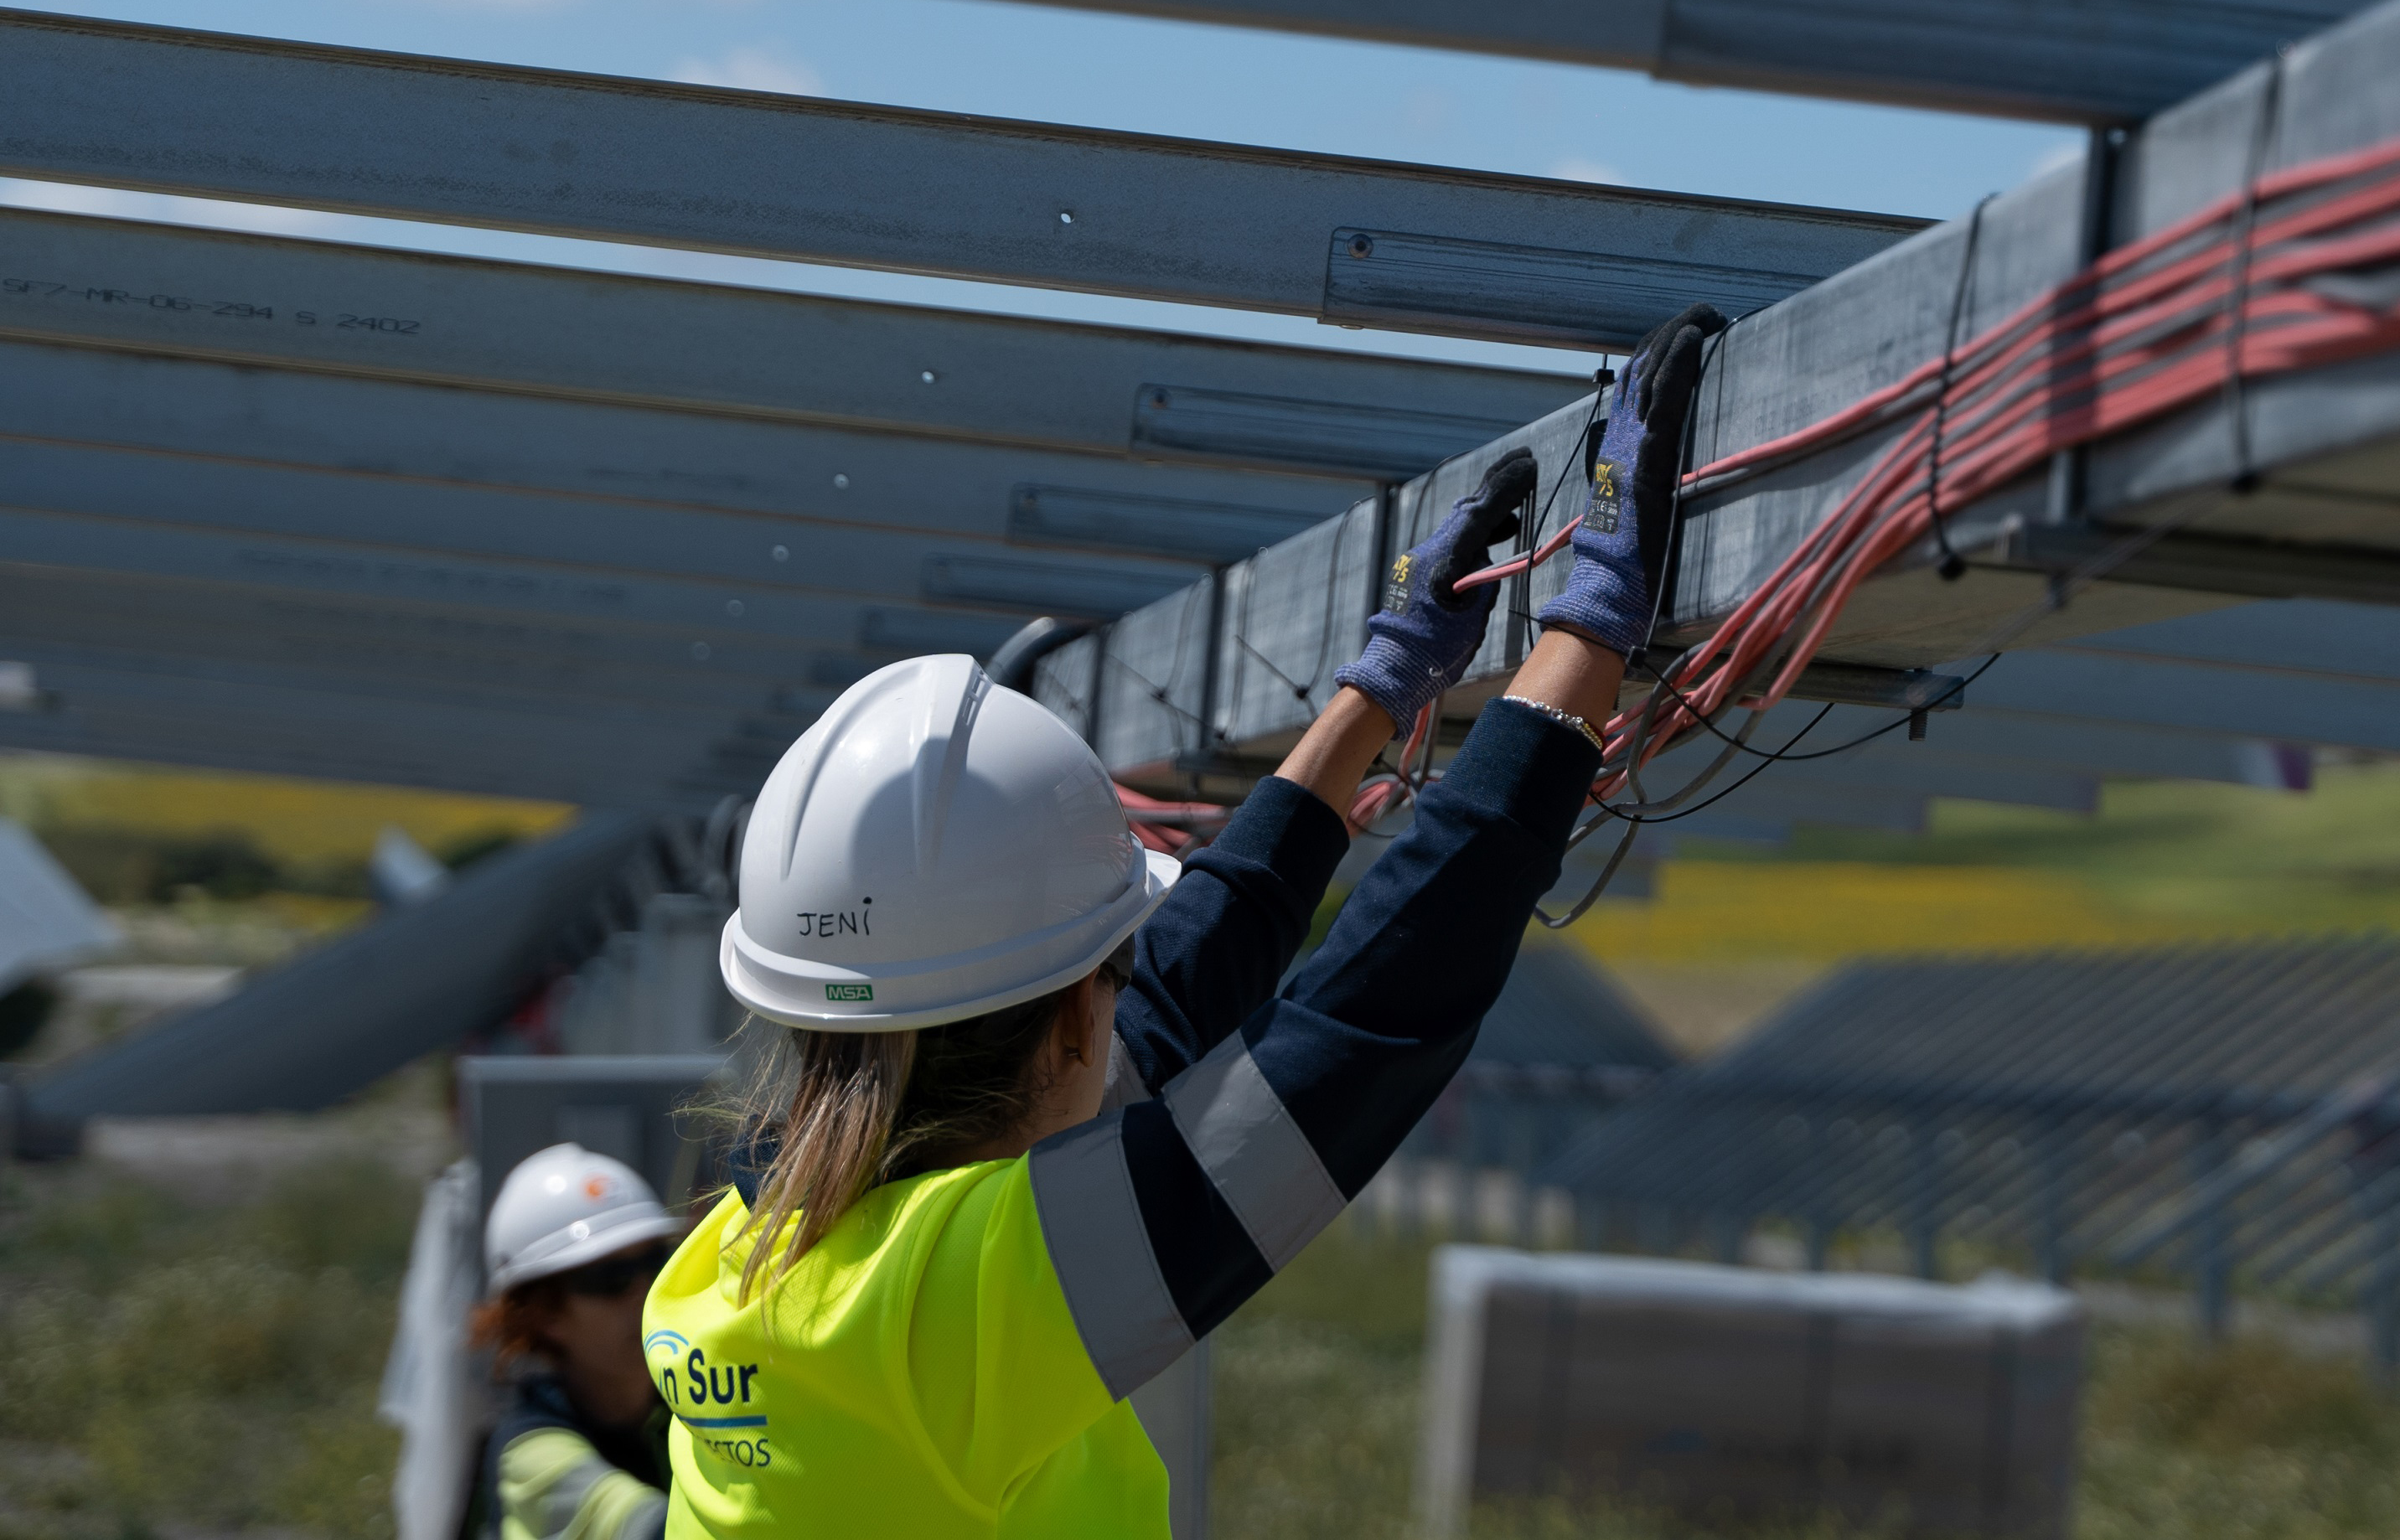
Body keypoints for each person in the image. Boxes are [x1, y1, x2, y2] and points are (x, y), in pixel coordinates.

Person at [642, 304, 1722, 1537]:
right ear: (1056, 1034)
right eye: (1098, 980)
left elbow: (1166, 1010)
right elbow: (1344, 1040)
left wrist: (1384, 683)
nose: (1123, 996)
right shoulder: (954, 1306)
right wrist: (1588, 621)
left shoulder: (745, 1260)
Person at [473, 1143, 681, 1540]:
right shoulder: (529, 1455)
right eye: (611, 1278)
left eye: (658, 1262)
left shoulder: (690, 1406)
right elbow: (653, 1530)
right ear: (545, 1313)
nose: (648, 1292)